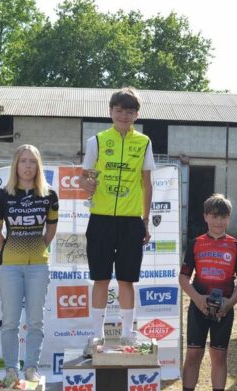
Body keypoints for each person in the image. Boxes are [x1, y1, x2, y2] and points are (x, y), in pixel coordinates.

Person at [78, 87, 156, 343]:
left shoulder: (144, 142)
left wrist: (145, 221)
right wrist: (86, 184)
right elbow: (83, 176)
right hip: (100, 219)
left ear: (136, 115)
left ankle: (127, 334)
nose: (124, 116)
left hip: (131, 221)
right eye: (119, 110)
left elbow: (147, 184)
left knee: (126, 280)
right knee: (100, 279)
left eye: (130, 111)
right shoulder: (97, 141)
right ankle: (96, 335)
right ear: (110, 111)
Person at [172, 194, 237, 391]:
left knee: (219, 356)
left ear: (229, 218)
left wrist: (229, 303)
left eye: (223, 217)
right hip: (199, 308)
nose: (218, 221)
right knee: (193, 354)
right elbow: (184, 277)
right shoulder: (196, 243)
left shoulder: (236, 245)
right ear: (206, 217)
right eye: (214, 216)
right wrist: (197, 299)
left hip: (224, 309)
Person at [0, 144, 58, 383]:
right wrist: (10, 250)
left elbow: (51, 230)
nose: (27, 166)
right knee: (10, 321)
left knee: (35, 321)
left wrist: (38, 248)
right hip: (10, 267)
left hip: (38, 267)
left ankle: (31, 369)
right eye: (23, 161)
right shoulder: (2, 195)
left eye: (32, 161)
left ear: (38, 166)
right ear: (15, 165)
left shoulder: (49, 195)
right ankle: (11, 370)